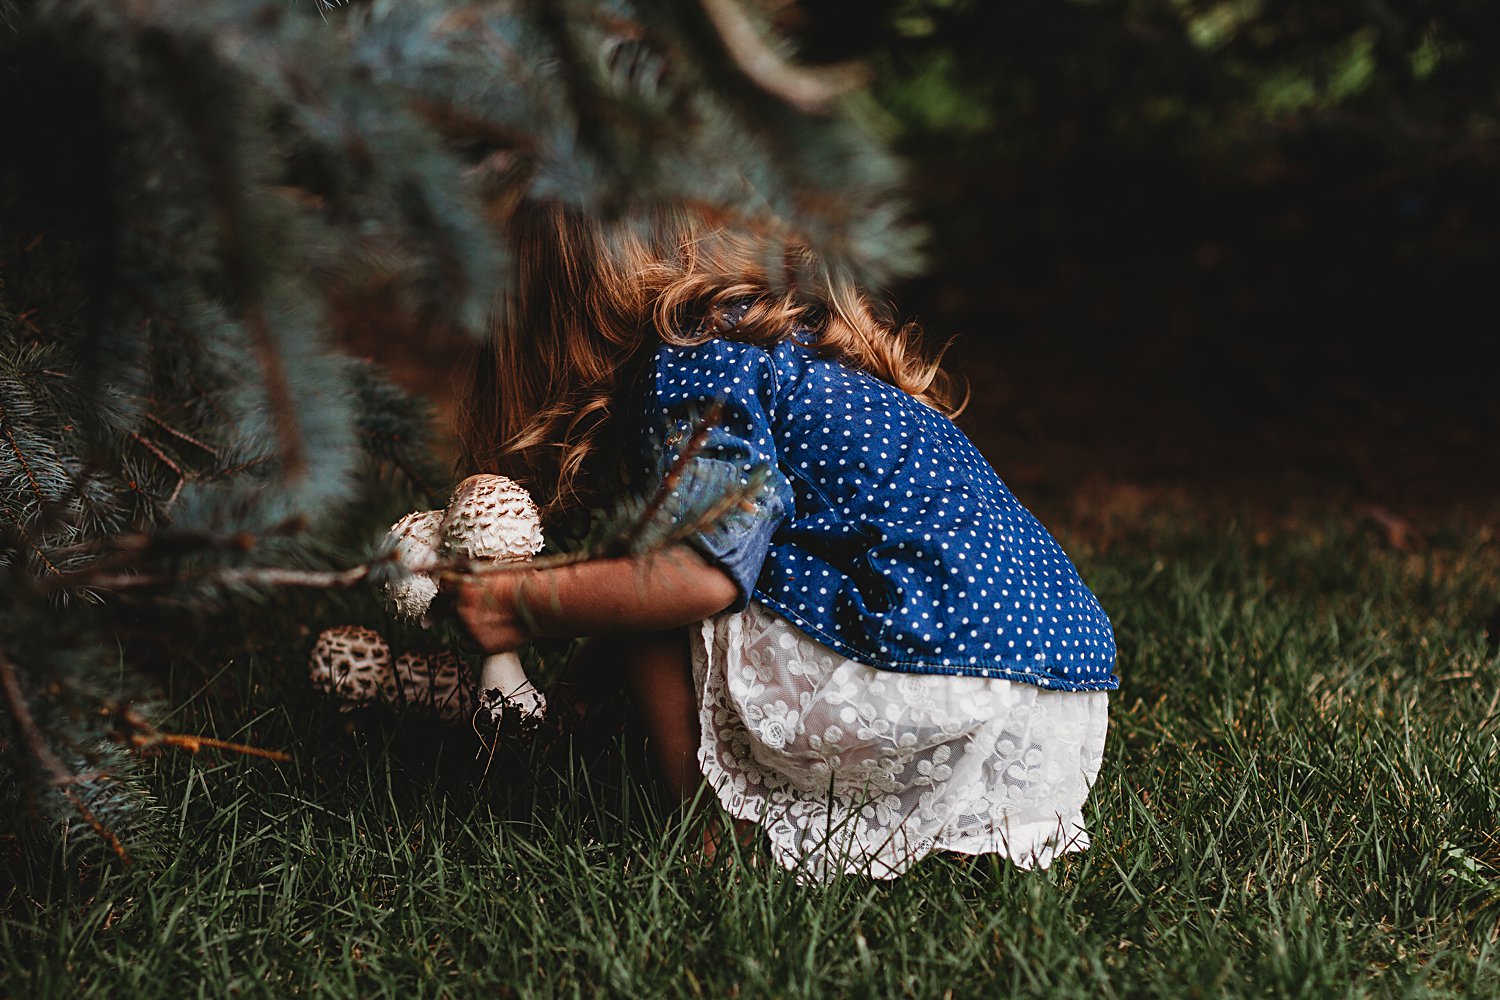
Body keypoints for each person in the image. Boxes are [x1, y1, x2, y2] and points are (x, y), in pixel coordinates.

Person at [452, 203, 1117, 879]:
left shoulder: (691, 361)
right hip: (1052, 692)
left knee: (660, 576)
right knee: (659, 563)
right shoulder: (801, 345)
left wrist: (515, 605)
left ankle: (710, 833)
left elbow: (702, 572)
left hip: (926, 668)